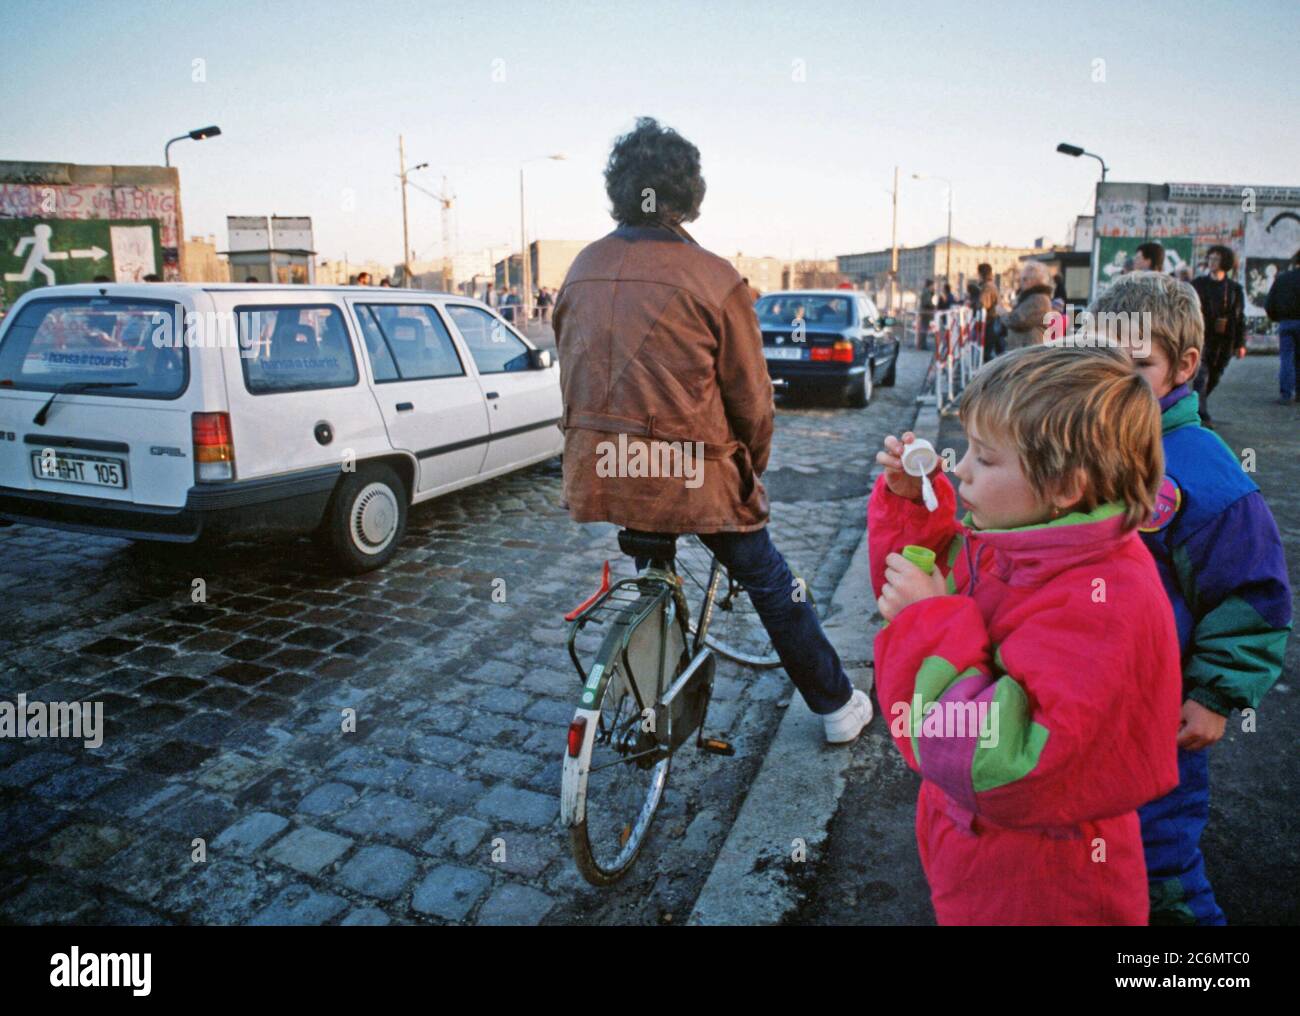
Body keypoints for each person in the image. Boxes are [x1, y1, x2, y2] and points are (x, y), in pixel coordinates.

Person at [553, 116, 871, 745]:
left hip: (602, 467)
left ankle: (649, 692)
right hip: (689, 474)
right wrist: (749, 467)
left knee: (651, 563)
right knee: (771, 581)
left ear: (619, 190)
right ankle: (836, 706)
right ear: (688, 194)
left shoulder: (581, 266)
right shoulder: (714, 276)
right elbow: (752, 400)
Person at [868, 344, 1182, 924]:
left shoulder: (1104, 601)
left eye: (985, 460)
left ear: (1064, 485)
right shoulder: (1026, 542)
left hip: (1045, 887)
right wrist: (915, 508)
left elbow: (1003, 761)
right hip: (986, 858)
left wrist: (927, 622)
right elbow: (915, 584)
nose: (959, 469)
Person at [1090, 272, 1292, 924]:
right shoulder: (1089, 447)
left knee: (1160, 865)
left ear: (1184, 365)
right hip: (1087, 707)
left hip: (1163, 719)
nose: (1114, 381)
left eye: (1137, 366)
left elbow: (1254, 594)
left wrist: (1214, 695)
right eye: (1100, 361)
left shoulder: (1204, 471)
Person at [1191, 246, 1246, 426]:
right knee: (1201, 376)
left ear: (1225, 262)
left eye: (1216, 259)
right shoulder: (1198, 284)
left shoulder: (1234, 289)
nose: (1212, 262)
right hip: (1201, 336)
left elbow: (1239, 317)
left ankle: (1198, 405)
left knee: (1214, 376)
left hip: (1224, 340)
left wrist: (1240, 343)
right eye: (1210, 258)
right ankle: (1202, 415)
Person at [1265, 247, 1300, 404]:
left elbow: (1269, 303)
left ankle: (1286, 394)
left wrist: (1277, 318)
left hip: (1286, 323)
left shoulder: (1282, 279)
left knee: (1287, 358)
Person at [1002, 261, 1054, 348]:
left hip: (1029, 353)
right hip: (1024, 351)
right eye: (1021, 279)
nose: (1021, 282)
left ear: (1037, 280)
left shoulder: (1039, 299)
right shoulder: (1031, 297)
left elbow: (1017, 320)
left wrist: (1002, 313)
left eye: (1025, 279)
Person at [976, 262, 1002, 357]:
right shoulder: (991, 285)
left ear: (982, 275)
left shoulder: (987, 287)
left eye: (978, 274)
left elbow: (982, 304)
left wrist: (974, 304)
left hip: (990, 323)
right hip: (993, 322)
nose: (977, 277)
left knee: (986, 354)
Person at [917, 279, 935, 351]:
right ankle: (922, 345)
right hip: (925, 313)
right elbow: (927, 303)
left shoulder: (927, 291)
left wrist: (932, 292)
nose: (933, 287)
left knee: (924, 329)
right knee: (924, 329)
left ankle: (922, 344)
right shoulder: (926, 292)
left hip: (925, 312)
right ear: (930, 285)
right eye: (932, 285)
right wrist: (933, 306)